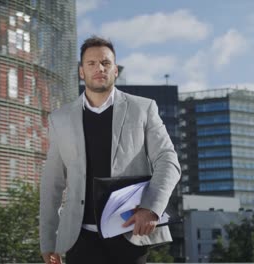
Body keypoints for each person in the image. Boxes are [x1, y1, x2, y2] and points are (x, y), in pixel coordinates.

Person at [39, 36, 181, 264]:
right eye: (91, 63)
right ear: (81, 72)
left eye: (106, 63)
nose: (99, 68)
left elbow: (168, 161)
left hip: (129, 235)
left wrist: (151, 208)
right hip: (79, 240)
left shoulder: (143, 109)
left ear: (115, 70)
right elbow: (52, 184)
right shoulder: (60, 119)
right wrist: (48, 241)